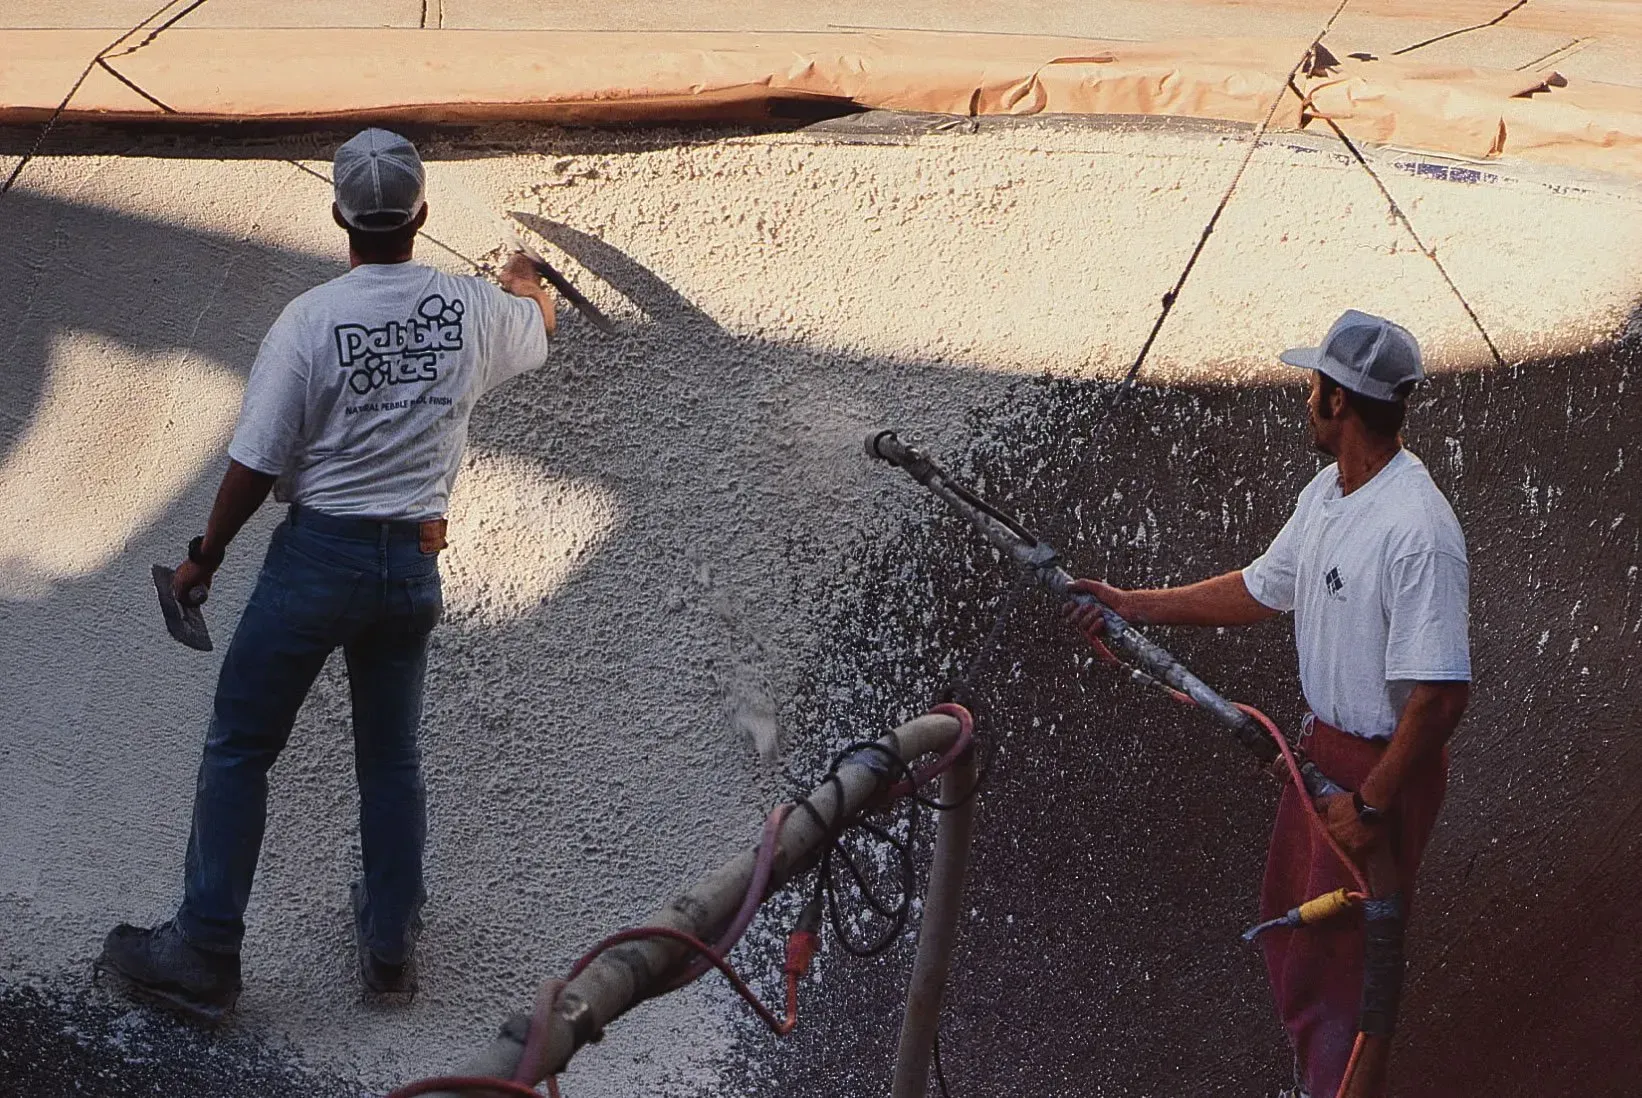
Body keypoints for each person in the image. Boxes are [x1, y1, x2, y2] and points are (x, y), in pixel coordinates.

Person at [99, 128, 558, 1018]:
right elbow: (536, 326)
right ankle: (389, 953)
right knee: (391, 761)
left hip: (318, 560)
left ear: (339, 215)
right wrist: (526, 279)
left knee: (242, 743)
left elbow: (257, 461)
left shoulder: (312, 321)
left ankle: (205, 951)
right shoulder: (472, 310)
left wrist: (205, 557)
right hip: (412, 567)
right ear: (420, 214)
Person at [1067, 310, 1470, 1097]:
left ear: (1339, 401)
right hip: (1323, 752)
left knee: (1358, 968)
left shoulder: (1417, 528)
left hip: (1380, 771)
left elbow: (1442, 696)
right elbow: (1262, 586)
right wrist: (1130, 603)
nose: (1307, 397)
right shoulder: (1331, 492)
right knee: (1305, 942)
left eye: (1314, 385)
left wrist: (1372, 804)